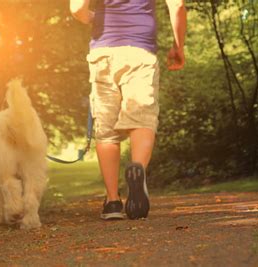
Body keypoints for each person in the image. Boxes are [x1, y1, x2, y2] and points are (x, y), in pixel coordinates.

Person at [70, 0, 186, 220]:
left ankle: (112, 201)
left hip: (103, 50)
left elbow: (76, 8)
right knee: (142, 116)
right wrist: (178, 46)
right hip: (140, 51)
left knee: (106, 129)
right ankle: (138, 169)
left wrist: (92, 18)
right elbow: (178, 6)